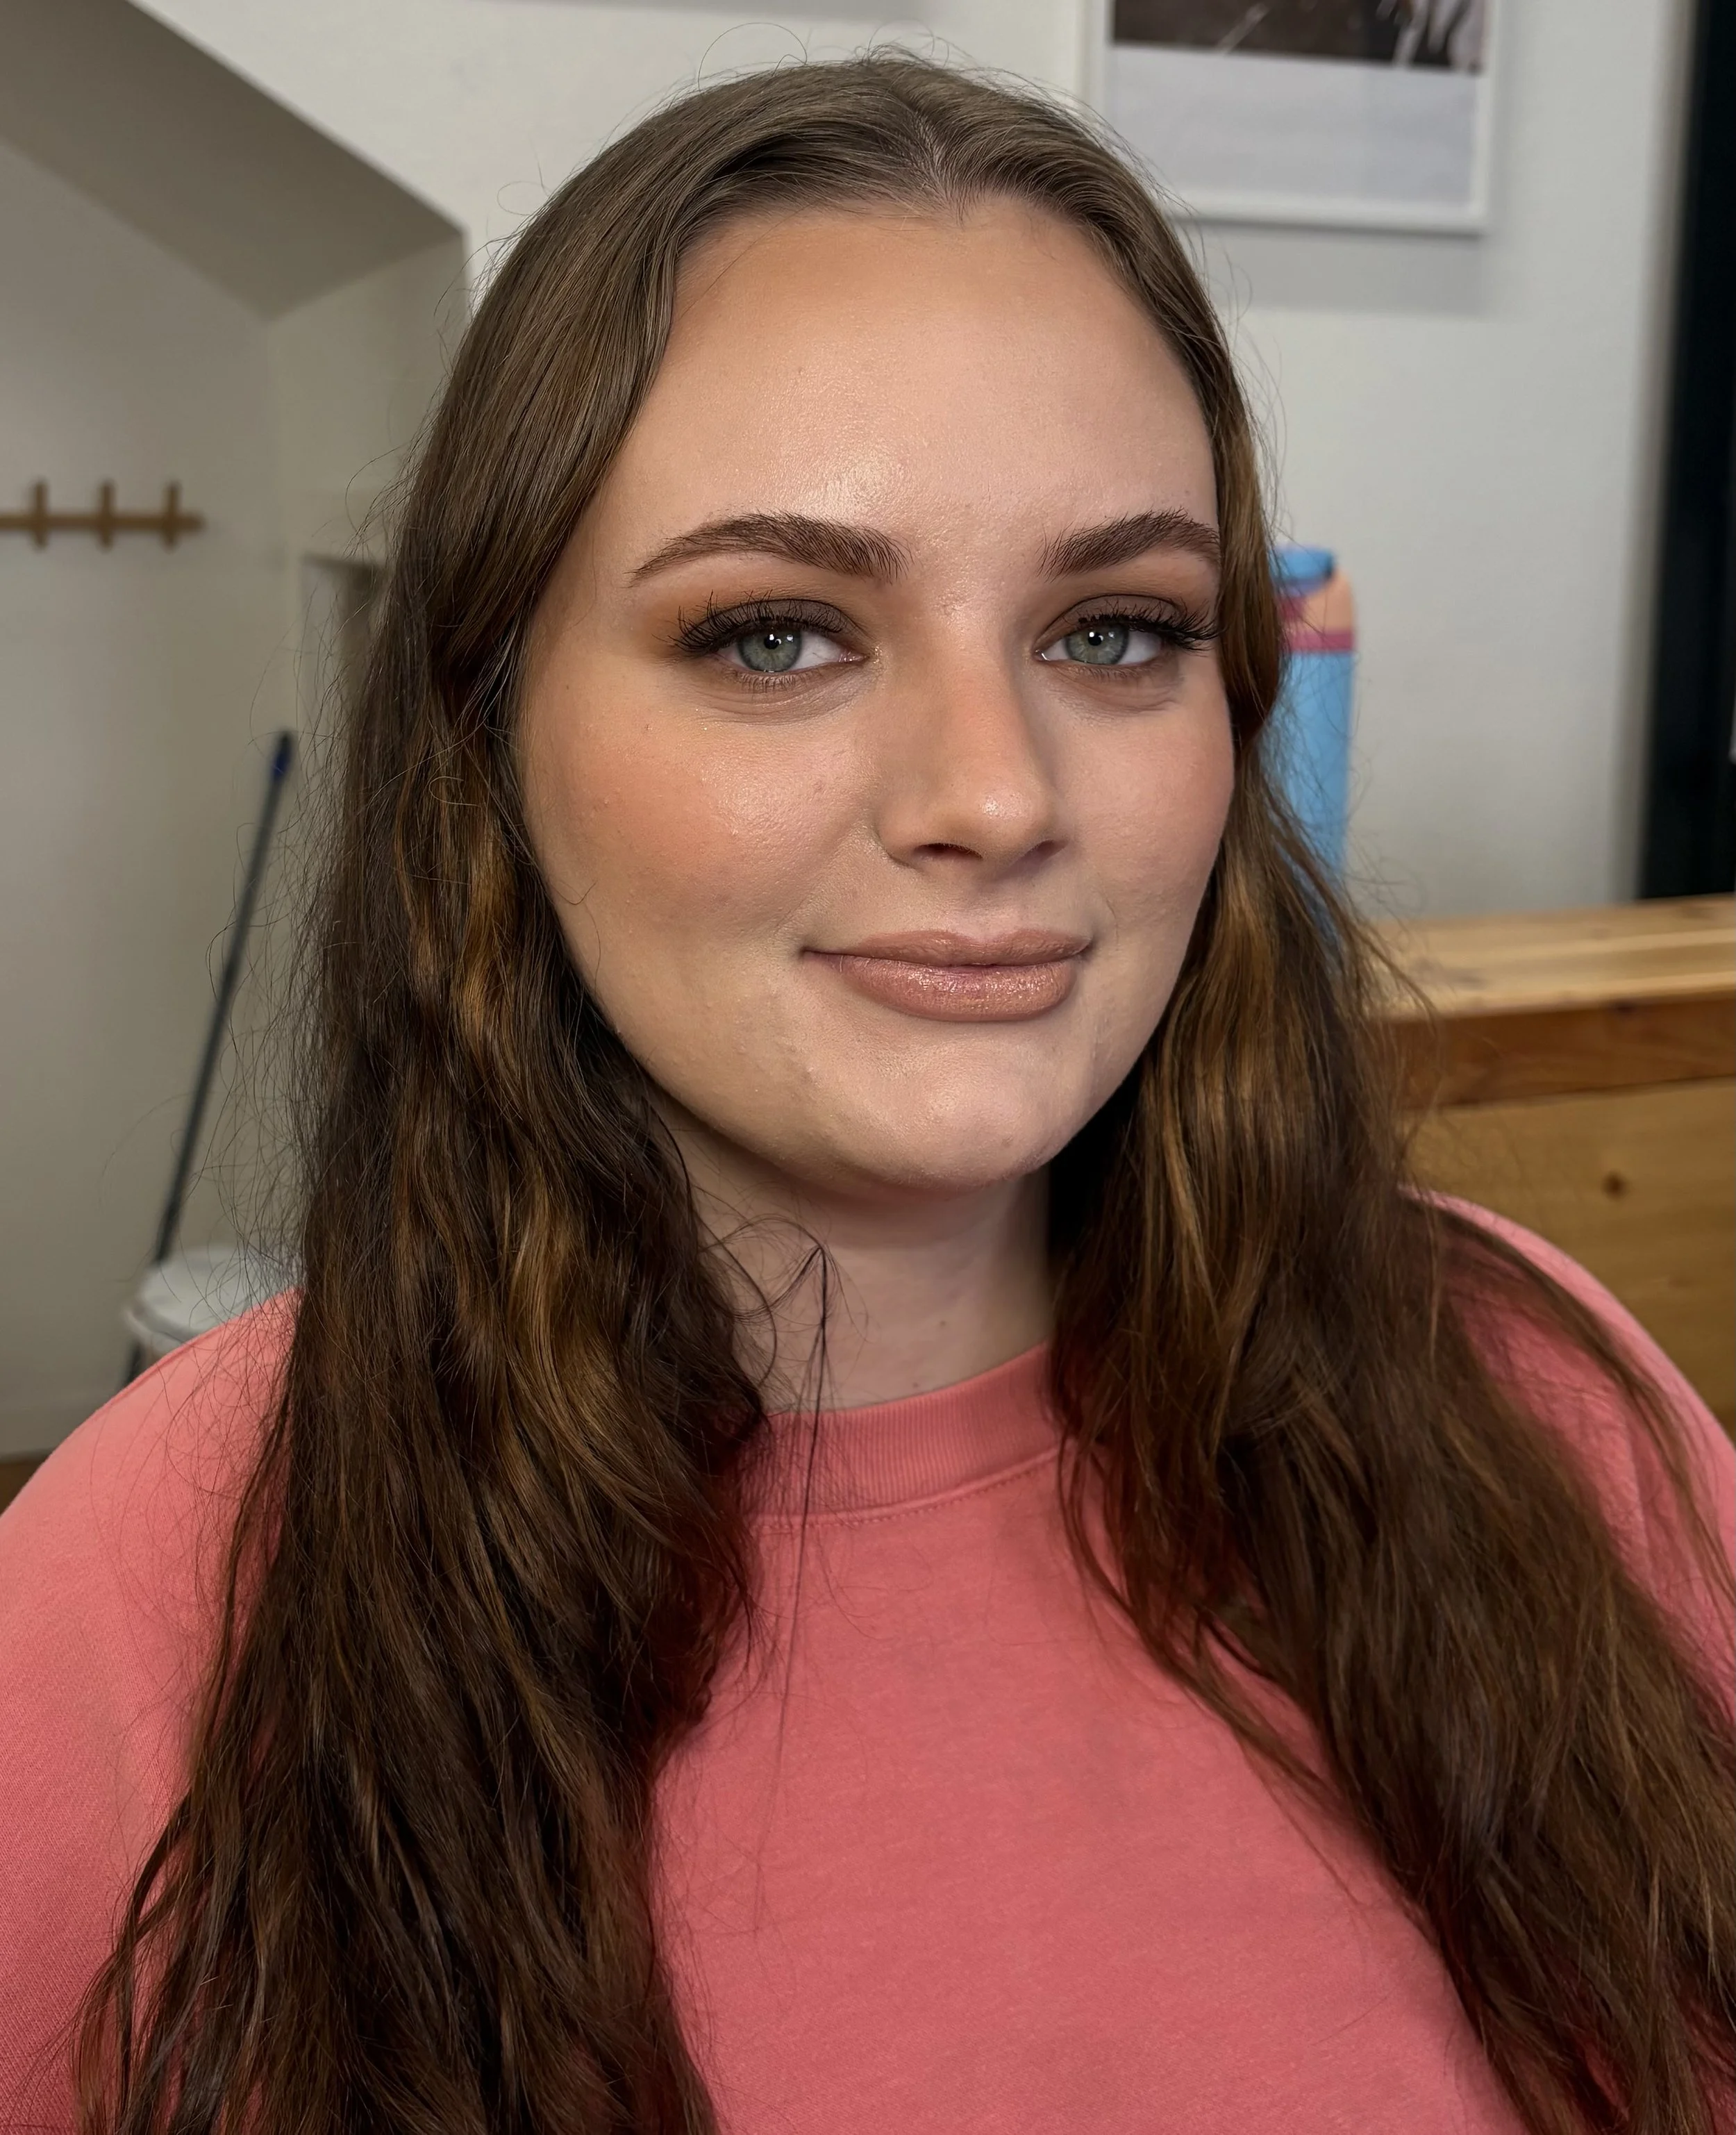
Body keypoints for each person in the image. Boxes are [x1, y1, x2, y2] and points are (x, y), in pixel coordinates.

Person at [1, 53, 1730, 2135]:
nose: (994, 796)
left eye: (1112, 629)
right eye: (776, 638)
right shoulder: (153, 1587)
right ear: (493, 731)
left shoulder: (1532, 1403)